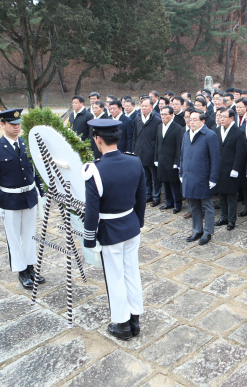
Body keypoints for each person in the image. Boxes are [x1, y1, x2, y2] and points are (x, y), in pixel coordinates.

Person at [83, 118, 146, 340]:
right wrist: (138, 223)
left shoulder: (93, 170)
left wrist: (89, 239)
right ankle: (135, 320)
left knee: (115, 277)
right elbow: (141, 197)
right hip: (130, 226)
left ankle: (121, 325)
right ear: (117, 138)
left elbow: (92, 210)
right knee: (131, 273)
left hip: (109, 230)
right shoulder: (134, 161)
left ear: (97, 139)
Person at [0, 109, 44, 289]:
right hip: (10, 198)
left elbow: (36, 168)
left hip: (29, 196)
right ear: (2, 125)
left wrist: (42, 192)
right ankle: (22, 271)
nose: (17, 127)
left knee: (30, 234)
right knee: (13, 238)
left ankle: (31, 268)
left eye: (19, 124)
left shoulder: (26, 143)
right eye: (13, 124)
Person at [180, 110, 221, 245]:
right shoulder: (186, 134)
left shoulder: (210, 135)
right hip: (188, 175)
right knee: (193, 205)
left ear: (203, 121)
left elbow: (215, 159)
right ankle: (197, 230)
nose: (191, 122)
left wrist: (213, 178)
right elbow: (182, 155)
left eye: (194, 119)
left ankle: (208, 232)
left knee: (207, 206)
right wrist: (181, 173)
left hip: (203, 177)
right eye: (190, 119)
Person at [215, 108, 247, 230]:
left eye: (224, 117)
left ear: (232, 118)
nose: (221, 119)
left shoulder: (239, 132)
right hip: (219, 168)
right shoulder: (217, 130)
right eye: (220, 116)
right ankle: (223, 217)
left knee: (231, 196)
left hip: (231, 169)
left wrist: (235, 169)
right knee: (221, 195)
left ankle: (232, 220)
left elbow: (240, 153)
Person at [133, 97, 162, 206]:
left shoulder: (157, 120)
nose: (143, 108)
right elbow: (135, 136)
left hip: (152, 153)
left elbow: (158, 139)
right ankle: (147, 194)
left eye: (146, 106)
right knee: (145, 176)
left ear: (151, 107)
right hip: (140, 152)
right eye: (142, 106)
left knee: (155, 177)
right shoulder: (138, 119)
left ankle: (156, 196)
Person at [155, 106, 184, 214]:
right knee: (165, 182)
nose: (163, 116)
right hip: (162, 159)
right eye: (161, 114)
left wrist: (177, 162)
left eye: (165, 114)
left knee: (174, 184)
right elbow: (157, 144)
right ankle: (168, 202)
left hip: (172, 160)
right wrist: (156, 158)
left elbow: (179, 146)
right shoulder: (159, 127)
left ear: (171, 115)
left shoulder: (178, 128)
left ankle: (177, 204)